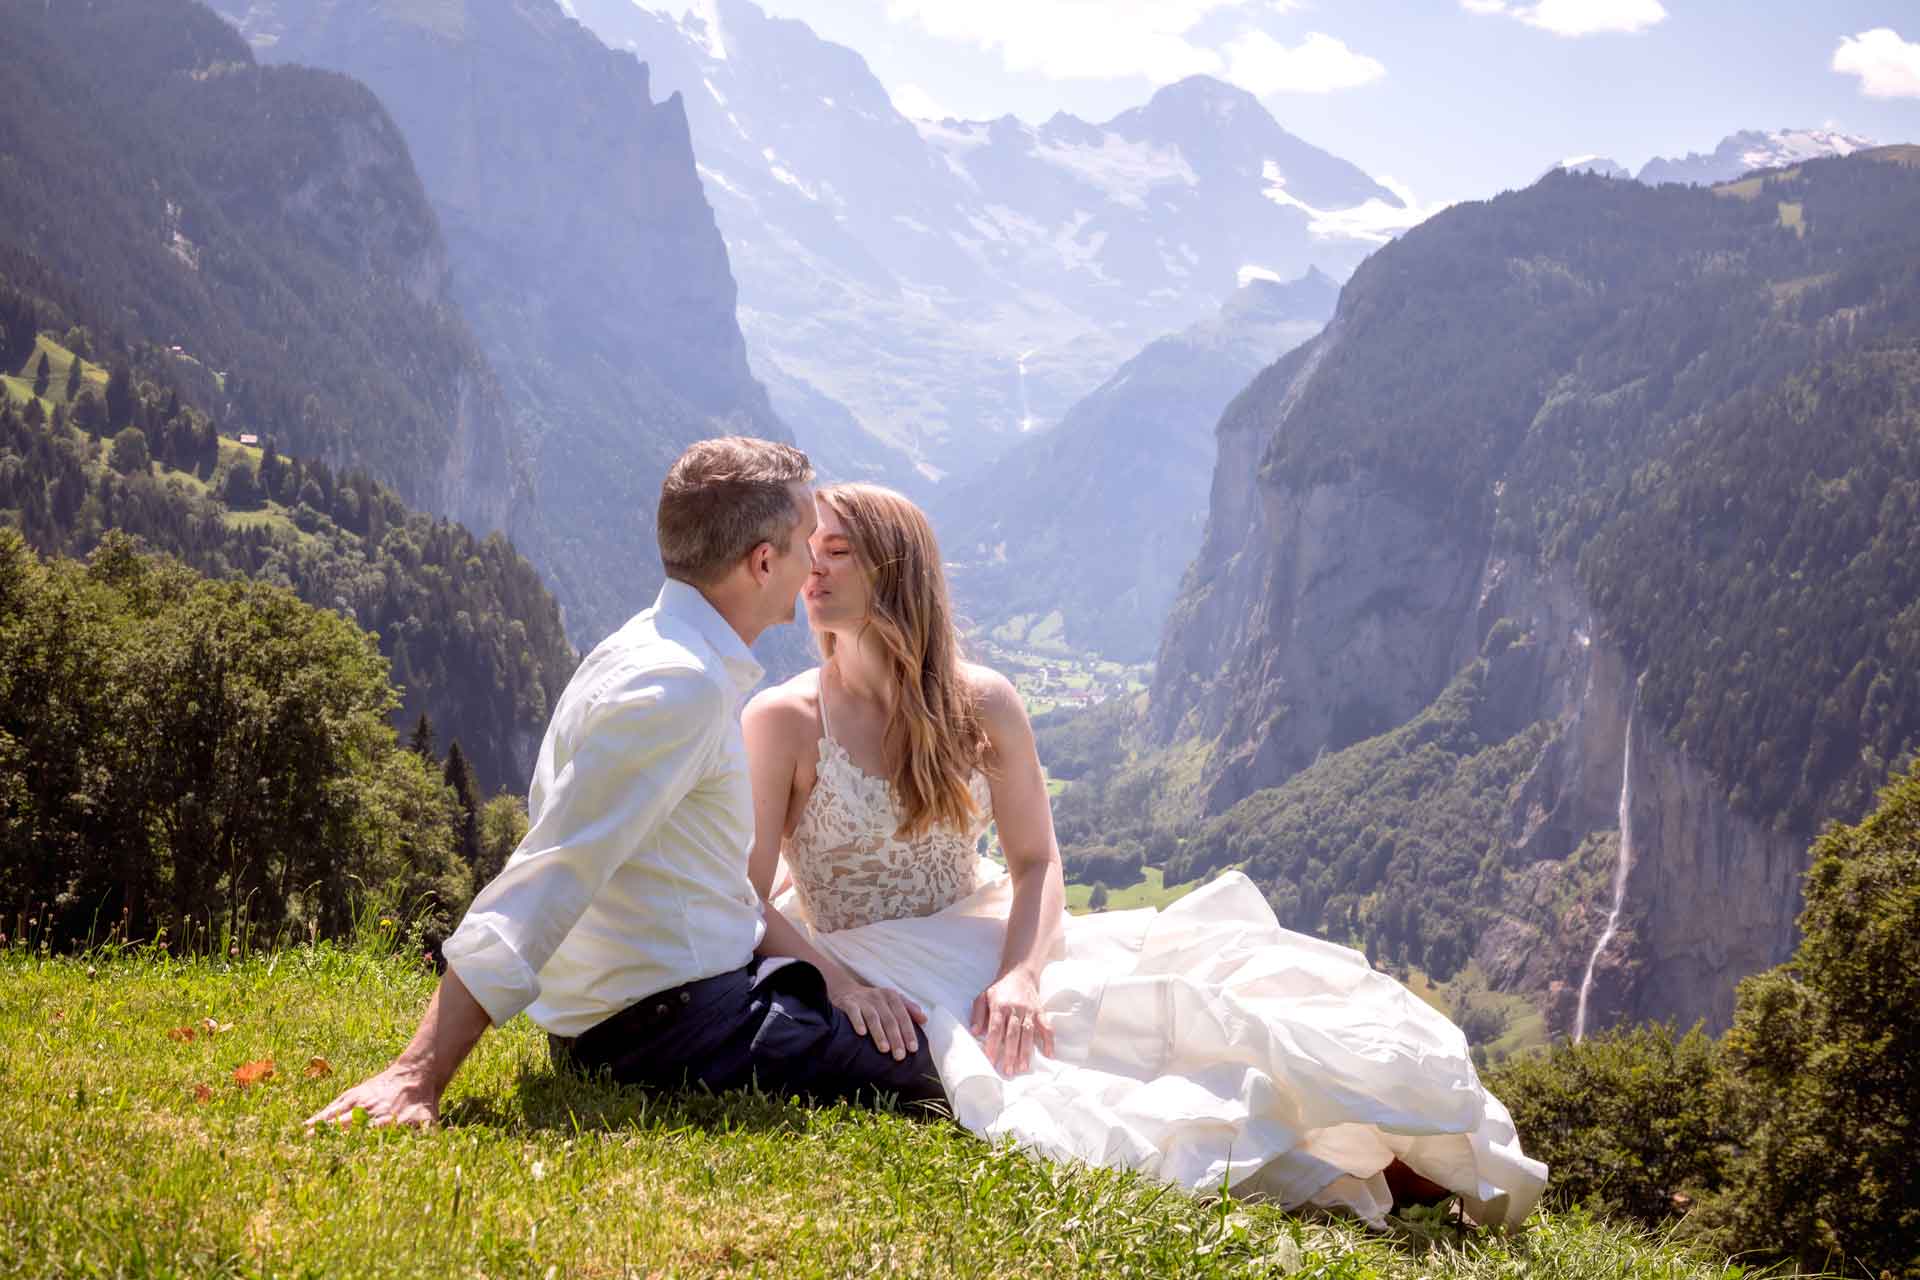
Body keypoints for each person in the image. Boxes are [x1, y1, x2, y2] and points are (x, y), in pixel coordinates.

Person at [741, 482, 1549, 1228]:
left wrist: (1021, 973)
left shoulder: (980, 700)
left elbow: (1036, 863)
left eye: (837, 549)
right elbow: (744, 897)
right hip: (880, 960)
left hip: (990, 932)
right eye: (808, 548)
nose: (811, 565)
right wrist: (839, 983)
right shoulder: (784, 719)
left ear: (896, 567)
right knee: (1075, 1080)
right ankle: (1338, 1162)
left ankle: (1396, 1138)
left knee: (1194, 1003)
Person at [307, 439, 941, 1132]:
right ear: (763, 562)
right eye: (803, 545)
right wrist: (418, 1073)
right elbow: (552, 871)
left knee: (915, 1024)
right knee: (936, 1064)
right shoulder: (679, 688)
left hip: (660, 1005)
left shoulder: (649, 647)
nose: (812, 563)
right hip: (670, 1026)